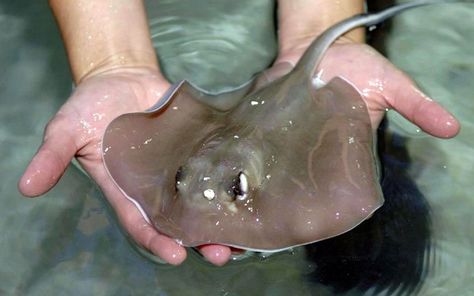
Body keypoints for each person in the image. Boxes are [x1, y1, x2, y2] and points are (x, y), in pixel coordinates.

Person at [18, 0, 459, 266]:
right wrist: (109, 61)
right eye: (178, 182)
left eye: (239, 191)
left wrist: (321, 21)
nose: (188, 225)